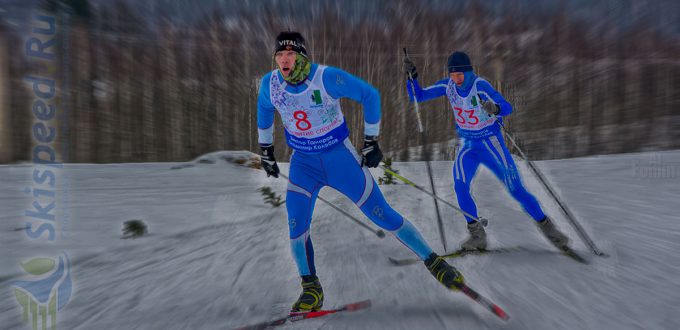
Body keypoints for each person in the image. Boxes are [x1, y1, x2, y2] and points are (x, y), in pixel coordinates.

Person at [257, 31, 464, 313]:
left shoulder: (325, 77)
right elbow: (264, 110)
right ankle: (311, 289)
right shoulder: (270, 84)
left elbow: (369, 95)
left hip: (338, 158)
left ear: (302, 56)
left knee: (382, 214)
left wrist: (371, 141)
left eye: (290, 54)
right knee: (296, 228)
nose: (284, 60)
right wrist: (265, 149)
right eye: (280, 55)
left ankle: (435, 262)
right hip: (303, 163)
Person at [403, 51, 570, 252]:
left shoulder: (480, 86)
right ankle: (477, 236)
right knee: (460, 186)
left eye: (459, 75)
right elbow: (417, 96)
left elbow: (507, 107)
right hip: (468, 146)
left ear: (468, 72)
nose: (455, 79)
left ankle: (549, 229)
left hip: (491, 145)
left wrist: (495, 108)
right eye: (452, 74)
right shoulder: (448, 86)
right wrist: (412, 78)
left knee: (516, 189)